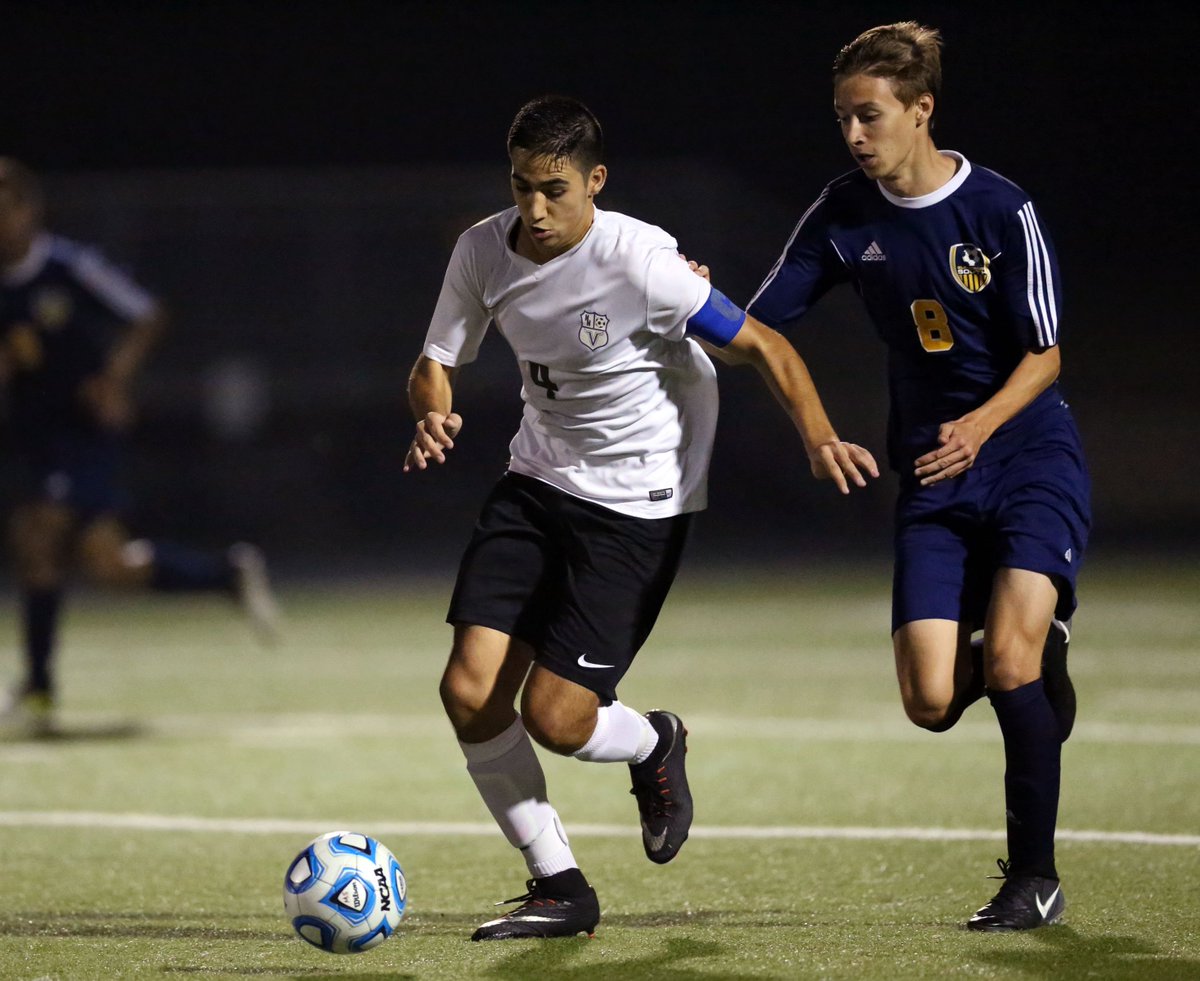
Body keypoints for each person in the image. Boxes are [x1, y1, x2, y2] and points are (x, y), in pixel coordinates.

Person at [404, 94, 877, 941]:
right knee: (468, 690)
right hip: (536, 478)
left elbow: (763, 343)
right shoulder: (481, 248)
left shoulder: (642, 263)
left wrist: (818, 437)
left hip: (635, 506)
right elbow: (434, 360)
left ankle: (655, 741)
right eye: (521, 186)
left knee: (556, 717)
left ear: (596, 181)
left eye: (554, 189)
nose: (534, 208)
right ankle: (559, 886)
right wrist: (431, 409)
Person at [743, 23, 1091, 931]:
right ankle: (1036, 661)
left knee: (1006, 662)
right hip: (934, 475)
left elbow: (1046, 354)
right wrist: (687, 294)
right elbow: (758, 325)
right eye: (842, 118)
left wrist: (979, 425)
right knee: (931, 700)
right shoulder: (843, 212)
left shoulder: (1000, 209)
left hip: (1026, 456)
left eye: (870, 115)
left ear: (922, 108)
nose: (854, 135)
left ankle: (1034, 878)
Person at [0, 157, 280, 737]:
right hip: (33, 436)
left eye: (5, 210)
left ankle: (40, 690)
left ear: (29, 210)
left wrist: (112, 379)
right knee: (109, 565)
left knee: (37, 534)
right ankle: (223, 575)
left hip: (82, 434)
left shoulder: (68, 267)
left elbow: (146, 314)